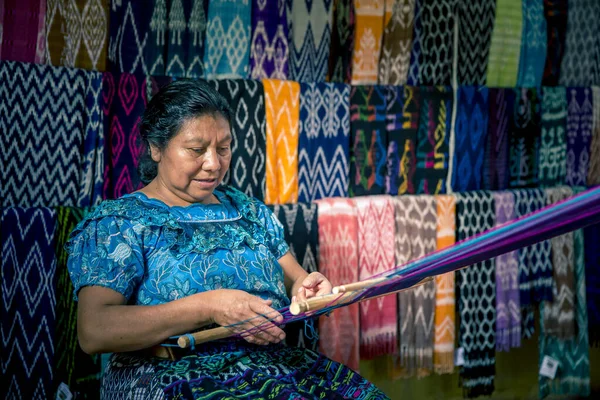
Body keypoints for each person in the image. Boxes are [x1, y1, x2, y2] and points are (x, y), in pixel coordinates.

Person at [66, 79, 389, 399]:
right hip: (171, 377)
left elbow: (297, 280)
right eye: (196, 150)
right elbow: (94, 331)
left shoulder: (248, 212)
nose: (214, 164)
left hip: (272, 370)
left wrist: (308, 289)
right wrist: (210, 306)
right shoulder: (119, 222)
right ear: (156, 148)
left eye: (224, 148)